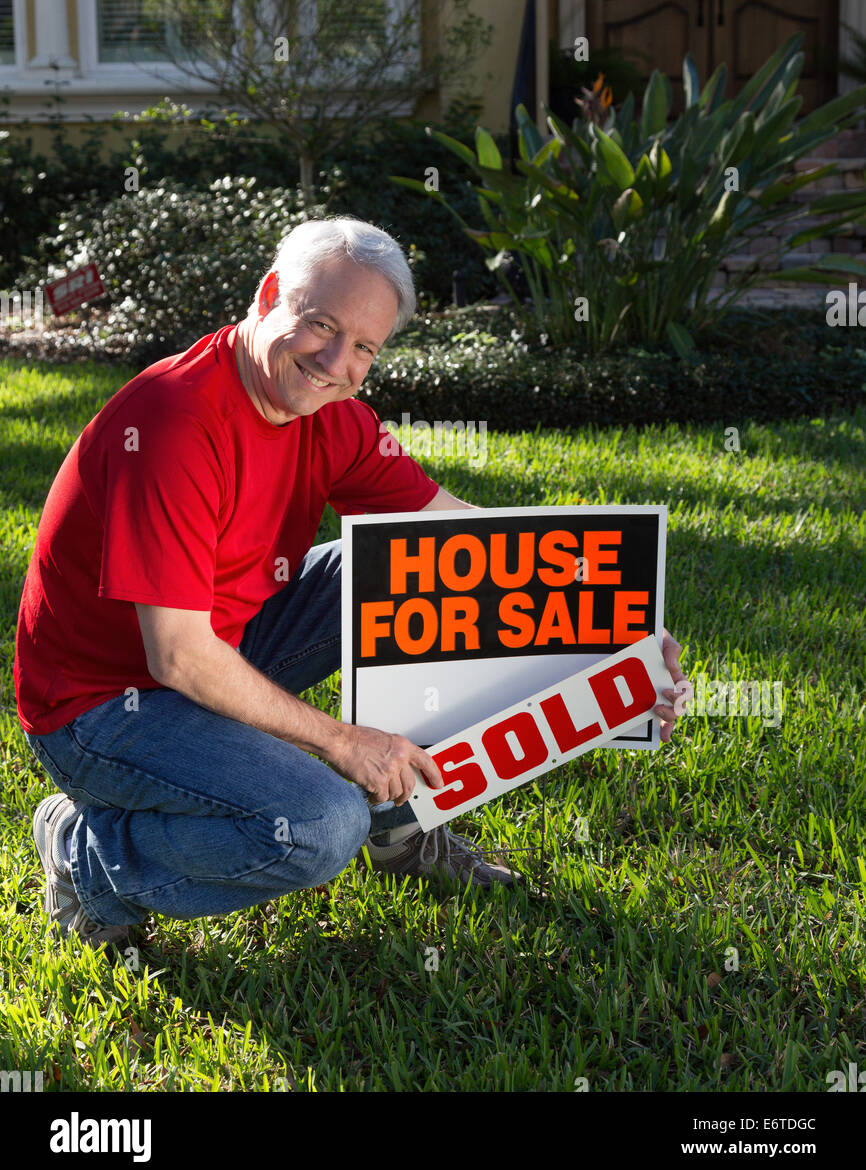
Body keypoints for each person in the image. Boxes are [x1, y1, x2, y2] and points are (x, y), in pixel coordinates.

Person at [15, 217, 687, 948]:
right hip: (102, 709)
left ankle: (401, 823)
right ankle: (86, 854)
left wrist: (623, 631)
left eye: (364, 346)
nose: (336, 362)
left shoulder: (332, 416)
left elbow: (482, 544)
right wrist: (344, 741)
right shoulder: (173, 423)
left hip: (221, 641)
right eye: (320, 325)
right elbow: (175, 656)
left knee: (428, 571)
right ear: (270, 295)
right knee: (320, 825)